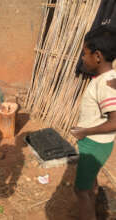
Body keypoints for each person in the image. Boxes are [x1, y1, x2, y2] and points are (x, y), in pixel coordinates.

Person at [70, 25, 116, 220]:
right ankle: (96, 203)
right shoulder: (107, 79)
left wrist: (85, 131)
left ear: (97, 56)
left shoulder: (105, 84)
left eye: (84, 54)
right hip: (96, 143)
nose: (82, 58)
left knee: (80, 191)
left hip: (95, 144)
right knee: (90, 182)